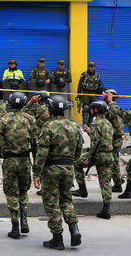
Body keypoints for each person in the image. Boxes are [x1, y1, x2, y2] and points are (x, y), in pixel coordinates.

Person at [34, 95, 82, 250]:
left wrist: (36, 174)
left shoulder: (47, 127)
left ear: (50, 110)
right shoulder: (74, 127)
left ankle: (57, 238)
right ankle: (74, 228)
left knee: (52, 203)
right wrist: (71, 163)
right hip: (68, 168)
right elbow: (79, 149)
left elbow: (41, 153)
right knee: (67, 200)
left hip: (51, 170)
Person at [0, 92, 38, 239]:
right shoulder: (30, 119)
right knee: (23, 192)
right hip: (25, 160)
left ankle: (15, 227)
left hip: (10, 161)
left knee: (11, 194)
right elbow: (36, 144)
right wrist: (36, 165)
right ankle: (24, 220)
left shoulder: (4, 119)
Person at [72, 100, 114, 219]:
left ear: (97, 110)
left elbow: (95, 142)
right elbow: (102, 139)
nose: (91, 110)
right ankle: (106, 210)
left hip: (97, 154)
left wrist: (89, 158)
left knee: (77, 164)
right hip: (108, 155)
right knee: (105, 183)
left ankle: (82, 190)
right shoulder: (108, 123)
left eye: (93, 108)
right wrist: (91, 133)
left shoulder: (96, 123)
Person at [104, 89, 125, 192]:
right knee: (112, 161)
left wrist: (110, 100)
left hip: (115, 139)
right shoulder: (113, 108)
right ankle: (118, 179)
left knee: (114, 162)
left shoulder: (113, 109)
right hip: (114, 138)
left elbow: (110, 114)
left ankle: (118, 184)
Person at [77, 62, 104, 127]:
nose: (91, 68)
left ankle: (91, 123)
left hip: (94, 93)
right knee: (86, 108)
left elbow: (99, 84)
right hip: (86, 93)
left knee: (95, 107)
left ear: (94, 67)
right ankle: (85, 123)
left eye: (92, 67)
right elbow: (80, 85)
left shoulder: (97, 75)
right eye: (90, 66)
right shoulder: (84, 74)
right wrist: (79, 94)